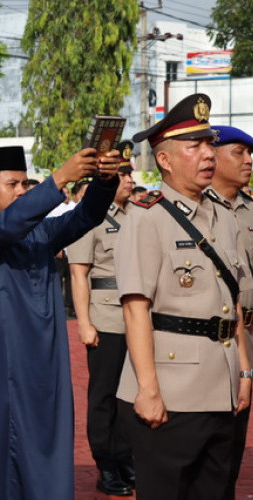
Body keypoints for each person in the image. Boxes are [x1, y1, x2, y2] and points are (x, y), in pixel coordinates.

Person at [0, 144, 120, 499]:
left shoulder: (42, 234)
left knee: (51, 461)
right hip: (1, 373)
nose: (21, 191)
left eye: (25, 185)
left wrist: (104, 180)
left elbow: (85, 216)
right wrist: (60, 177)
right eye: (12, 184)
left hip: (48, 371)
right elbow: (4, 229)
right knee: (3, 471)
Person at [115, 94, 251, 500]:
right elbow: (136, 309)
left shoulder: (224, 216)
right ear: (166, 160)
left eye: (210, 144)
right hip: (171, 390)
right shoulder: (146, 217)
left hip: (222, 385)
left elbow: (235, 302)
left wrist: (245, 371)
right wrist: (148, 389)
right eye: (195, 146)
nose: (208, 154)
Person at [67, 141, 135, 496]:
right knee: (104, 396)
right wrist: (84, 322)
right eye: (122, 174)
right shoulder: (88, 216)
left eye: (130, 173)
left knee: (131, 395)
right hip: (105, 316)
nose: (129, 180)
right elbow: (79, 273)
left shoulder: (137, 214)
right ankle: (106, 465)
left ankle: (127, 459)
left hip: (136, 317)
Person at [207, 124, 253, 498]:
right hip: (222, 336)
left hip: (251, 333)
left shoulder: (251, 207)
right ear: (214, 156)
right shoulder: (194, 211)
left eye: (249, 154)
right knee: (224, 431)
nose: (249, 161)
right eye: (239, 153)